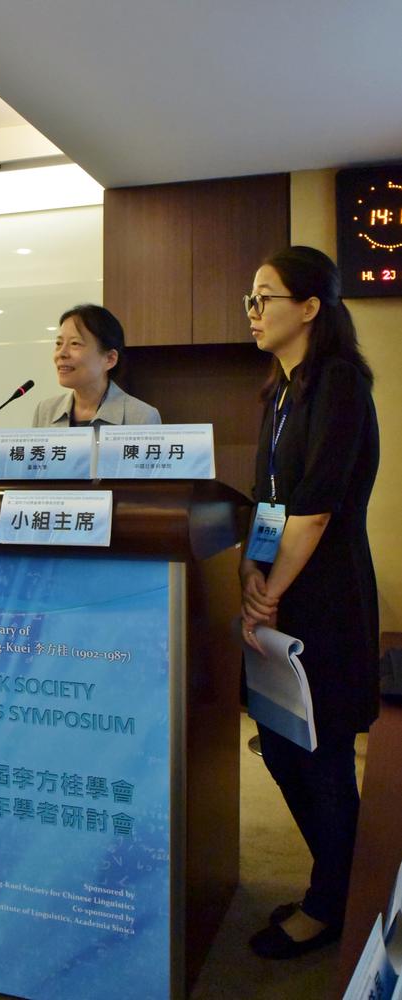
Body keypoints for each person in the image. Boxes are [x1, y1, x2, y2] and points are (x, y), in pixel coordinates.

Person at [240, 246, 379, 959]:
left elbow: (317, 508)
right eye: (251, 299)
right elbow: (271, 500)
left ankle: (331, 905)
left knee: (321, 755)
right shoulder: (281, 391)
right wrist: (254, 569)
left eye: (265, 297)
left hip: (326, 595)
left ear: (309, 307)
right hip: (283, 589)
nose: (253, 311)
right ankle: (336, 881)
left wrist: (270, 590)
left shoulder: (338, 383)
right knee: (281, 747)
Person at [32, 303, 161, 429]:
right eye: (59, 343)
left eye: (75, 343)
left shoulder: (141, 417)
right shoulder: (45, 411)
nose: (61, 353)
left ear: (110, 359)